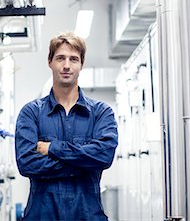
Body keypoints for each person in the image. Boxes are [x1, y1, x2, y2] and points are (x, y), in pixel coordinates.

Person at [15, 32, 118, 221]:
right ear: (50, 62)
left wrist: (53, 148)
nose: (67, 66)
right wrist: (84, 162)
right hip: (41, 216)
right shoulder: (31, 113)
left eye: (74, 59)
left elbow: (104, 156)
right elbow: (27, 164)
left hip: (88, 215)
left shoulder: (101, 113)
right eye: (60, 58)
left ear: (81, 64)